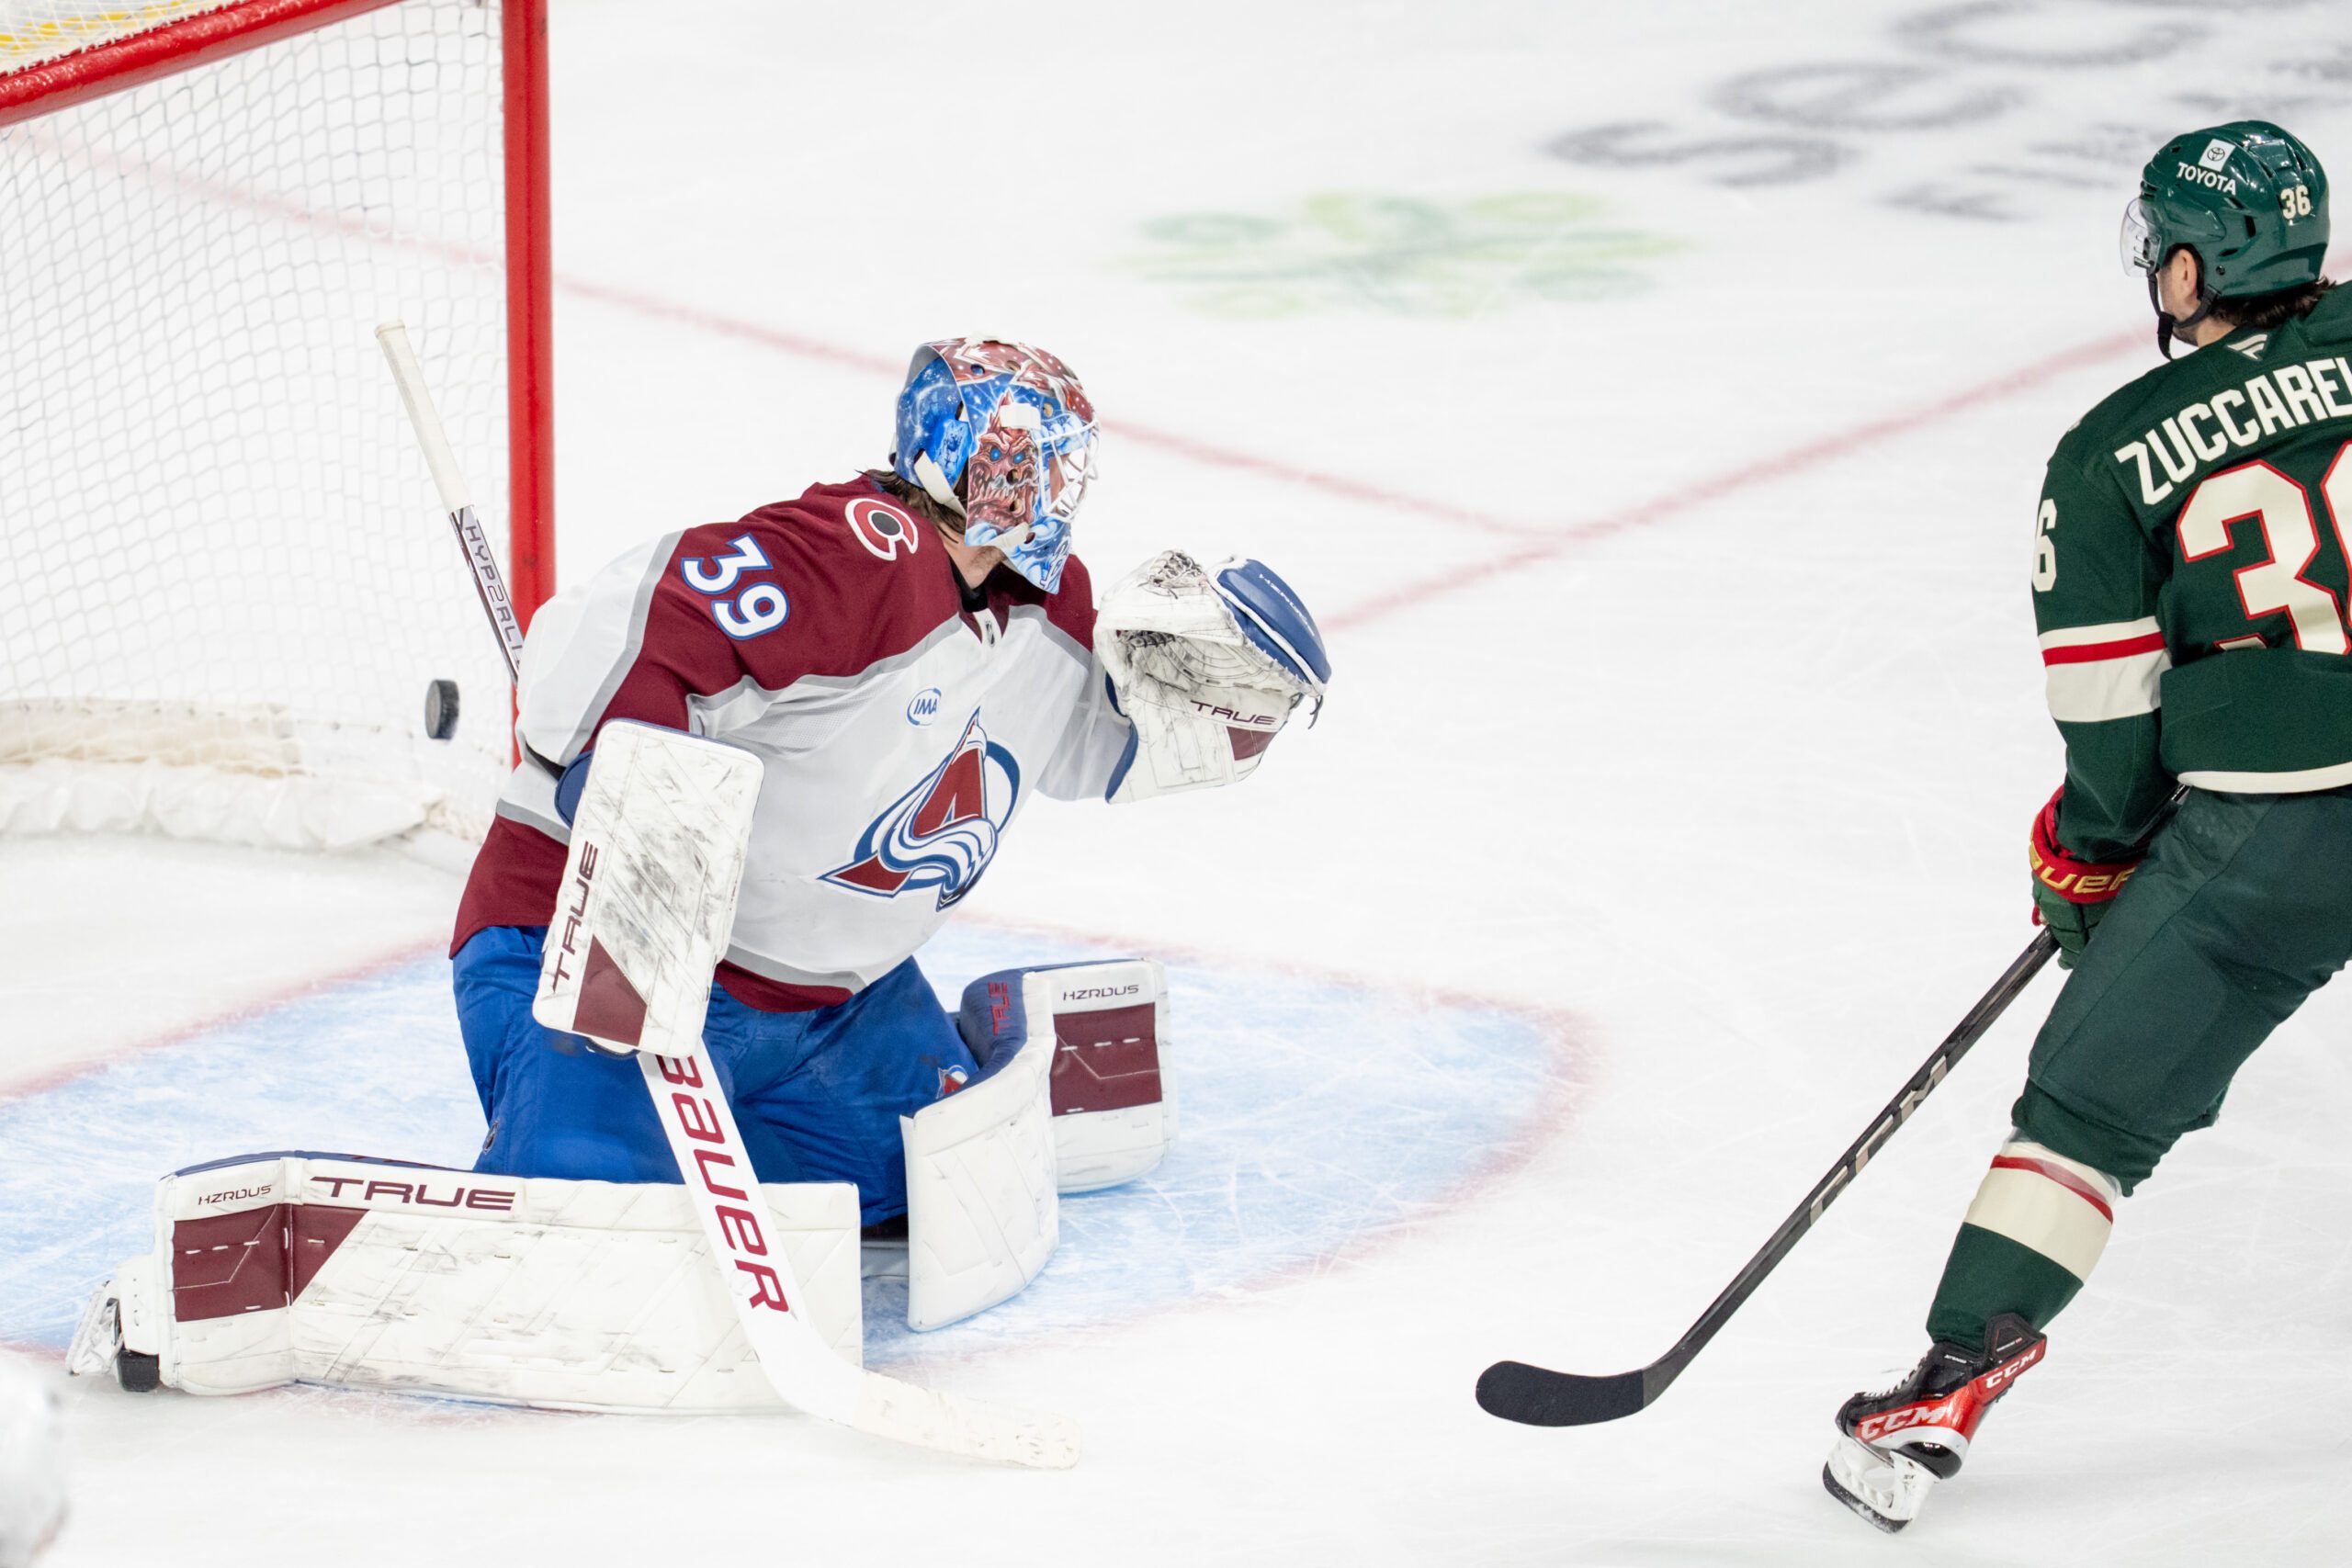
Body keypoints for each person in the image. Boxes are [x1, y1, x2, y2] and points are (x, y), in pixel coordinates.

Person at [451, 338, 1329, 1224]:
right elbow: (625, 624)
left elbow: (1103, 744)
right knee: (592, 1220)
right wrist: (627, 780)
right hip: (586, 958)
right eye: (1039, 460)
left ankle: (881, 1064)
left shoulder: (1045, 605)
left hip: (833, 1009)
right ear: (974, 460)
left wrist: (1222, 708)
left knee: (944, 1194)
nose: (1061, 487)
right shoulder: (854, 553)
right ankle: (571, 1147)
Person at [1825, 121, 2348, 1532]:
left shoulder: (2111, 451)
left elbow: (2113, 722)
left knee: (2087, 1112)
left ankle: (1949, 1377)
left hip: (2278, 842)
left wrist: (2096, 849)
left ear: (2187, 265)